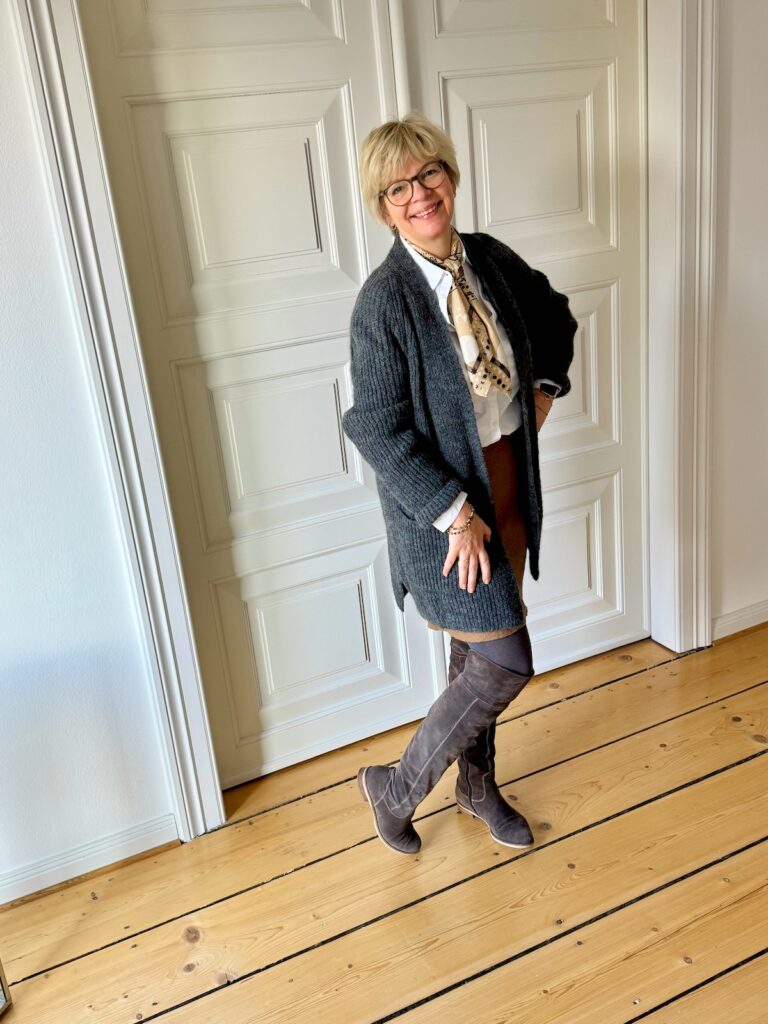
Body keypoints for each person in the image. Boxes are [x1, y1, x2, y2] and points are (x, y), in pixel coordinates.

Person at [342, 113, 576, 855]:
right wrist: (454, 513)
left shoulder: (489, 260)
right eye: (398, 188)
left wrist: (542, 387)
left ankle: (477, 785)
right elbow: (375, 426)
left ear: (450, 175)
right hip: (443, 510)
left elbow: (555, 316)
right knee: (507, 661)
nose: (419, 194)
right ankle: (395, 789)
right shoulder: (384, 302)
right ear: (383, 208)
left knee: (477, 654)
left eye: (429, 173)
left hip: (505, 480)